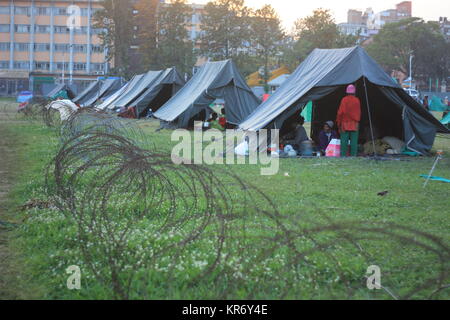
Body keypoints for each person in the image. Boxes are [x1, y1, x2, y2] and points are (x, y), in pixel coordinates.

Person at [336, 84, 361, 157]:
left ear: (347, 92)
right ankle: (353, 156)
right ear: (354, 92)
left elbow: (340, 112)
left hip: (345, 124)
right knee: (354, 142)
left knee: (344, 141)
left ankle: (343, 156)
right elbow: (359, 112)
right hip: (355, 124)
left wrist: (339, 123)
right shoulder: (357, 100)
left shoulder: (344, 100)